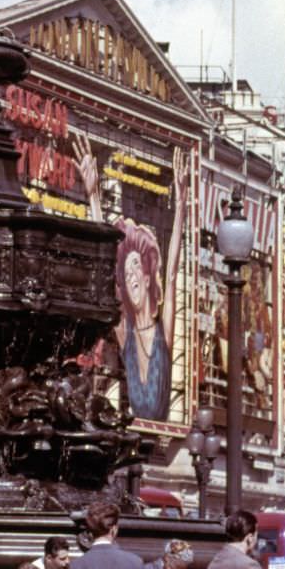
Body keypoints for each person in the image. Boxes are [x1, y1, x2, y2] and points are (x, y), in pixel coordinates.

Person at [72, 135, 189, 421]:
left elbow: (172, 274)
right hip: (134, 432)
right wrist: (93, 196)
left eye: (136, 266)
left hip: (158, 433)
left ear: (148, 277)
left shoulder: (164, 331)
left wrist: (183, 203)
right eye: (127, 271)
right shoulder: (126, 333)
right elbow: (105, 271)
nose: (132, 274)